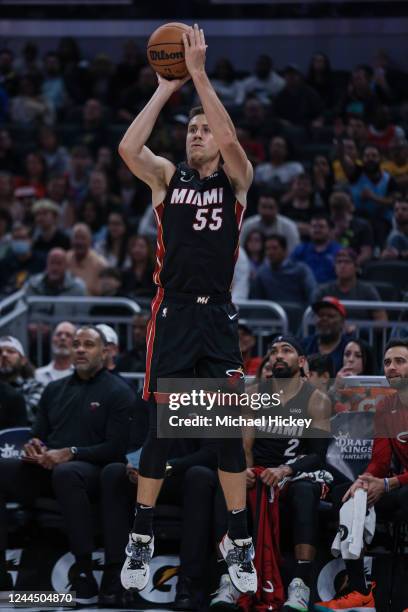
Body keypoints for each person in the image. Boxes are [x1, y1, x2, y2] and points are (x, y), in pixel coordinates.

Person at [117, 24, 257, 594]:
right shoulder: (167, 179)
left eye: (205, 128)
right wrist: (166, 87)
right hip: (172, 314)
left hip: (218, 316)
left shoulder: (238, 182)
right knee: (163, 429)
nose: (198, 134)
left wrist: (198, 74)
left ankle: (240, 542)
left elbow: (230, 142)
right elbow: (128, 148)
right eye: (191, 130)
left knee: (226, 433)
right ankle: (141, 536)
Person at [0, 326, 134, 604]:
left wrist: (71, 452)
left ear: (105, 352)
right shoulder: (54, 389)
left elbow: (118, 448)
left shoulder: (119, 392)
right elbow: (38, 433)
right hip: (51, 465)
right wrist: (34, 446)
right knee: (4, 468)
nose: (80, 349)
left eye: (88, 344)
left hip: (96, 471)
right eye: (76, 345)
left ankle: (83, 569)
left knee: (66, 472)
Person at [315, 338, 408, 610]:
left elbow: (388, 479)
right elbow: (380, 461)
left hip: (402, 486)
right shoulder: (385, 406)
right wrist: (363, 481)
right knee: (346, 495)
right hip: (399, 484)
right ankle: (359, 589)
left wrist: (389, 483)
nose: (391, 367)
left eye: (400, 361)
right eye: (388, 362)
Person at [244, 335, 331, 612]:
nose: (278, 355)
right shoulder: (254, 394)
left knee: (305, 491)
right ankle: (232, 576)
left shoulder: (316, 399)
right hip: (261, 472)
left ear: (302, 362)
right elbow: (245, 447)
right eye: (273, 351)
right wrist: (246, 471)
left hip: (296, 473)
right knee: (234, 483)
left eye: (286, 350)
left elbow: (319, 455)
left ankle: (300, 583)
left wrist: (285, 470)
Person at [314, 248, 387, 321]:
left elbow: (382, 321)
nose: (342, 266)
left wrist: (359, 328)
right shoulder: (324, 290)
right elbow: (311, 318)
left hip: (360, 332)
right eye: (339, 262)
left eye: (347, 262)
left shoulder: (367, 290)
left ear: (356, 267)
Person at [250, 234, 316, 305]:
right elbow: (256, 301)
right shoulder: (262, 273)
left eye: (275, 248)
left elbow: (312, 295)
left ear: (285, 251)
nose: (270, 252)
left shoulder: (302, 270)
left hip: (299, 314)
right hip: (271, 314)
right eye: (267, 249)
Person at [303, 296, 355, 374]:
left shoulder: (351, 348)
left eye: (331, 316)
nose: (324, 319)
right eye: (320, 315)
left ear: (342, 322)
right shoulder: (304, 345)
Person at [0, 336, 44, 424]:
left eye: (11, 351)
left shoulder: (35, 387)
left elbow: (25, 415)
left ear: (23, 360)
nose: (4, 355)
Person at [291, 214, 342, 284]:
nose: (317, 230)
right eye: (314, 226)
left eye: (321, 227)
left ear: (329, 230)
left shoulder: (339, 251)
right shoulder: (300, 250)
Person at [329, 192, 374, 266]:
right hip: (330, 266)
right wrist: (337, 234)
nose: (337, 212)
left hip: (354, 265)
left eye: (340, 208)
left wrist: (352, 265)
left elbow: (366, 253)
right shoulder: (326, 225)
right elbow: (322, 249)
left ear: (349, 208)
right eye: (335, 209)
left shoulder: (362, 225)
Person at [66, 223, 108, 295]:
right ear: (71, 241)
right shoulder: (64, 259)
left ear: (90, 241)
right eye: (76, 238)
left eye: (83, 238)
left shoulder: (100, 264)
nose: (79, 242)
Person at [35, 321, 76, 386]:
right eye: (58, 334)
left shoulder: (81, 374)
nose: (63, 338)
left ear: (75, 343)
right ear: (52, 340)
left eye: (68, 335)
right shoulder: (38, 375)